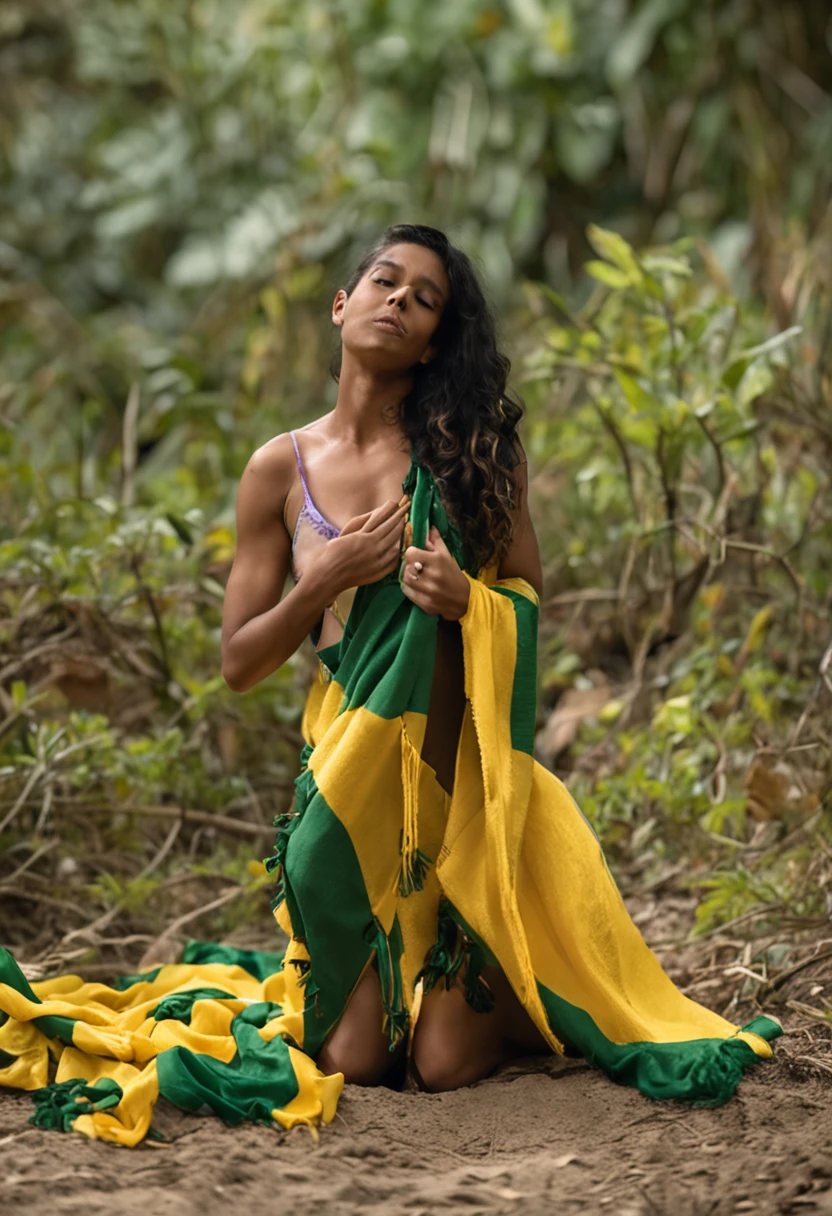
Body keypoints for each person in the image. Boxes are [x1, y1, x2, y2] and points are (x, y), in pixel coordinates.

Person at [221, 222, 551, 1091]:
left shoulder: (475, 457)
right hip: (351, 789)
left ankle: (529, 992)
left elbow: (525, 599)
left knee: (440, 1066)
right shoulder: (278, 470)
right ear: (342, 306)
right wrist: (317, 581)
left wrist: (465, 600)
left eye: (425, 297)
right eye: (384, 282)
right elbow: (239, 661)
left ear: (437, 337)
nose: (399, 299)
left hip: (462, 803)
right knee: (358, 1062)